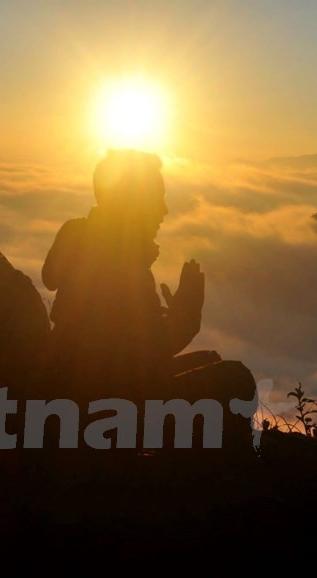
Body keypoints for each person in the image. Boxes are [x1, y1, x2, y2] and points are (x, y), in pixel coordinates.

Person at [42, 149, 256, 445]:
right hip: (111, 407)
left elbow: (54, 280)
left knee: (211, 360)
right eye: (156, 198)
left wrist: (159, 314)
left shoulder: (79, 233)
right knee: (236, 379)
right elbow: (147, 358)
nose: (164, 210)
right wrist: (188, 317)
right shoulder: (124, 262)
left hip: (76, 388)